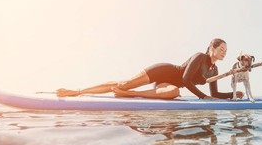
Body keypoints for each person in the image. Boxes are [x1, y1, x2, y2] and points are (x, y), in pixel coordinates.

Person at [56, 38, 244, 100]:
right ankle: (77, 91)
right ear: (211, 48)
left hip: (170, 84)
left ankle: (127, 95)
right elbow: (186, 79)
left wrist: (233, 96)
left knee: (174, 91)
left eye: (226, 51)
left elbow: (216, 93)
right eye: (221, 49)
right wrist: (202, 97)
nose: (224, 53)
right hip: (163, 71)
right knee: (125, 83)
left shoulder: (214, 71)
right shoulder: (200, 57)